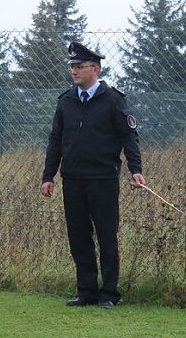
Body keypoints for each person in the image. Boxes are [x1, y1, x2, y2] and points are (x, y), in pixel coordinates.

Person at [41, 42, 147, 309]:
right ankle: (86, 291)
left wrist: (136, 170)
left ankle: (109, 294)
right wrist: (48, 175)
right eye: (72, 68)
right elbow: (55, 140)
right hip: (73, 179)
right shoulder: (66, 101)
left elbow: (128, 136)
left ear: (95, 69)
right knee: (78, 236)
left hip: (103, 179)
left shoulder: (112, 99)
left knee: (107, 236)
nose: (74, 72)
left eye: (79, 67)